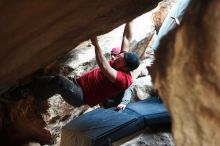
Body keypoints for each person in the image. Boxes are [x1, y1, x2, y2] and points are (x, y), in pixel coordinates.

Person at [29, 21, 140, 108]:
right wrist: (132, 17)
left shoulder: (124, 80)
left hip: (81, 96)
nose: (115, 58)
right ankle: (21, 91)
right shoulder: (123, 59)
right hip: (77, 83)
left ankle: (34, 99)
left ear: (125, 68)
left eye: (118, 60)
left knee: (59, 81)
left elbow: (104, 66)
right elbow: (126, 37)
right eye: (117, 56)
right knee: (42, 81)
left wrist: (96, 44)